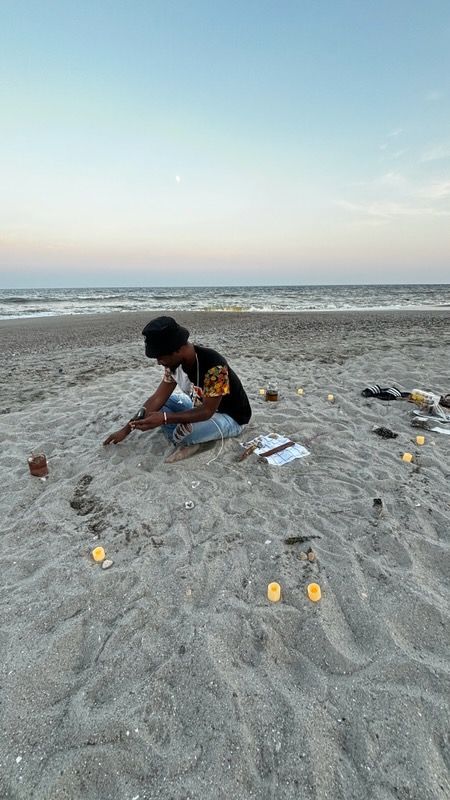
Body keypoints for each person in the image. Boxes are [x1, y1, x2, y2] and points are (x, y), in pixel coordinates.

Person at [103, 316, 252, 463]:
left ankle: (190, 440)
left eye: (160, 357)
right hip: (198, 407)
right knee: (163, 404)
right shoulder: (173, 366)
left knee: (183, 433)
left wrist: (165, 419)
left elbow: (207, 411)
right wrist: (126, 430)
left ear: (178, 350)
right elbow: (157, 398)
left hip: (231, 418)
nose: (158, 362)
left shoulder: (214, 367)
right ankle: (186, 432)